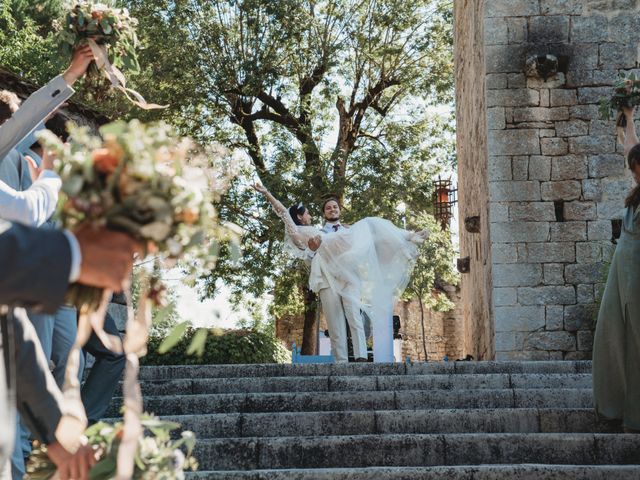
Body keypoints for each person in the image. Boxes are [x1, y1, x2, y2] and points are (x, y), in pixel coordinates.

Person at [254, 184, 428, 363]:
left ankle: (406, 239)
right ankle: (341, 362)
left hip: (348, 274)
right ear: (304, 216)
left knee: (355, 316)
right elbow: (287, 218)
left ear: (338, 211)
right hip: (326, 276)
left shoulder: (347, 230)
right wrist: (267, 193)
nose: (331, 210)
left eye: (335, 207)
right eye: (327, 208)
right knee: (335, 322)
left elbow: (368, 246)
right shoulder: (312, 232)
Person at [592, 105, 640, 433]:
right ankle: (618, 404)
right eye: (635, 170)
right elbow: (631, 149)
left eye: (638, 170)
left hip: (636, 274)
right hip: (621, 274)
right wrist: (630, 116)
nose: (635, 173)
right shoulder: (637, 189)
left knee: (636, 337)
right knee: (612, 331)